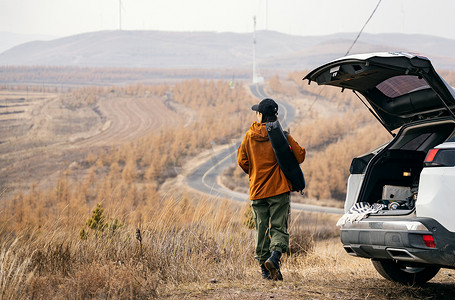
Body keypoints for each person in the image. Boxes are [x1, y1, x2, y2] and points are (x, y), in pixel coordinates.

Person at [237, 98, 306, 281]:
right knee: (278, 228)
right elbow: (300, 156)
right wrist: (287, 139)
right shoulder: (281, 135)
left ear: (260, 115)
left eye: (257, 112)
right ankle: (274, 258)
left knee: (261, 229)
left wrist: (254, 172)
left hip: (257, 191)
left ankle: (265, 271)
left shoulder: (249, 135)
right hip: (278, 190)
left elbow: (242, 161)